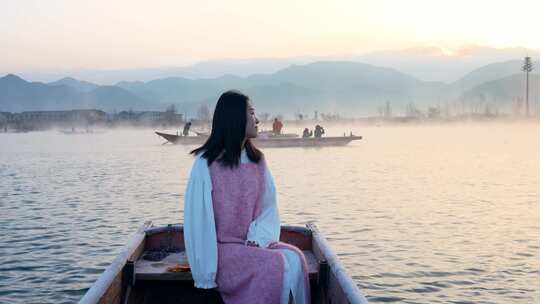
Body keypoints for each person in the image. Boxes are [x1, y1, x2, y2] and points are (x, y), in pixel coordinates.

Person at [184, 90, 310, 304]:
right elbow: (198, 222)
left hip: (251, 244)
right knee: (274, 264)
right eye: (251, 113)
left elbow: (268, 210)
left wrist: (256, 240)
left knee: (296, 258)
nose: (257, 119)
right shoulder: (205, 163)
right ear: (234, 118)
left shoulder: (258, 161)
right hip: (220, 252)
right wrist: (204, 272)